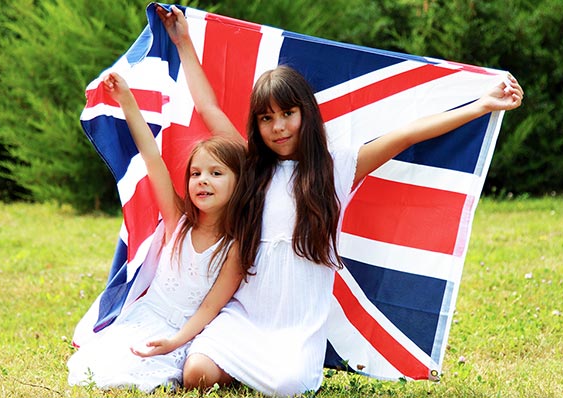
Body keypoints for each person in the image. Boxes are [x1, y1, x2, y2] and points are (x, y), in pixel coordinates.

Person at [157, 4, 524, 396]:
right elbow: (208, 107)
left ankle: (255, 369)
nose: (278, 127)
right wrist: (182, 43)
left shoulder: (334, 170)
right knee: (194, 373)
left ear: (306, 113)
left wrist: (481, 105)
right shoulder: (251, 167)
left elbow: (407, 134)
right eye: (266, 118)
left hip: (296, 327)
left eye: (288, 113)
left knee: (289, 386)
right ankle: (227, 363)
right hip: (245, 314)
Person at [66, 71, 245, 392]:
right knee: (102, 366)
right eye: (196, 173)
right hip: (149, 315)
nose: (203, 180)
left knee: (154, 370)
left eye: (216, 173)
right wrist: (127, 102)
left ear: (240, 184)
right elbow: (151, 156)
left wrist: (174, 342)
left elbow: (209, 308)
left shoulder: (234, 247)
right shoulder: (178, 221)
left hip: (186, 329)